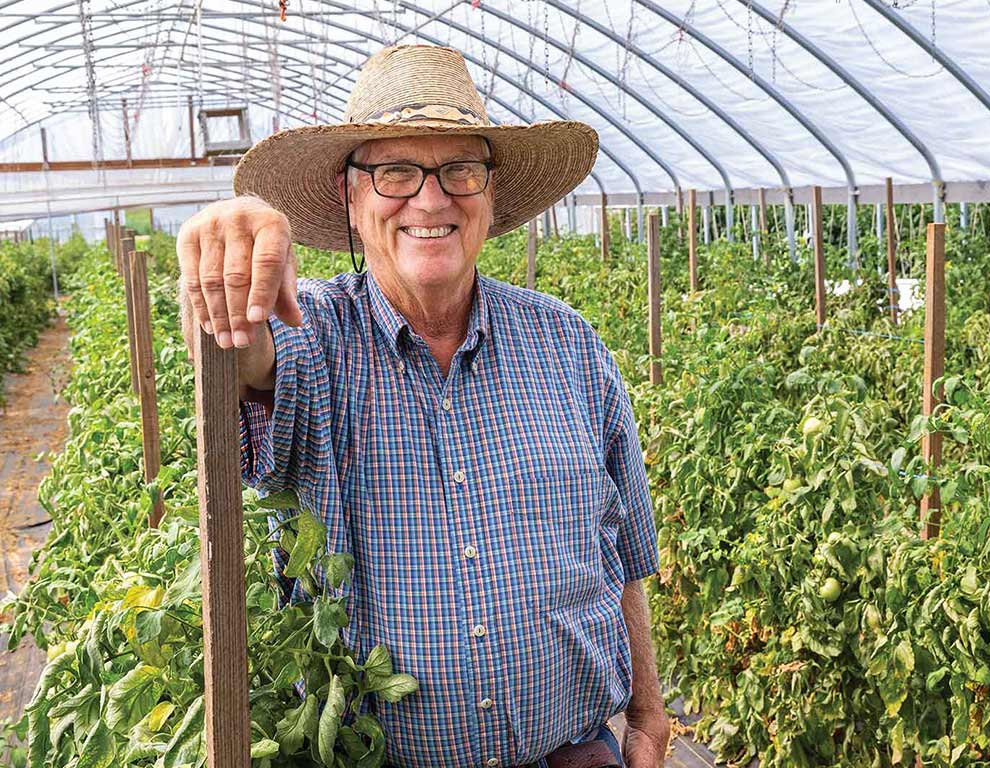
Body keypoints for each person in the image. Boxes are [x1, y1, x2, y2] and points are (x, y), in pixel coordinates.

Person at [176, 44, 669, 768]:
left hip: (579, 752)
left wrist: (650, 719)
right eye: (395, 173)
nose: (431, 200)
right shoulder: (317, 341)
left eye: (459, 170)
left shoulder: (568, 343)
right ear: (351, 196)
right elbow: (241, 353)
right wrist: (231, 251)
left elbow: (623, 549)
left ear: (491, 193)